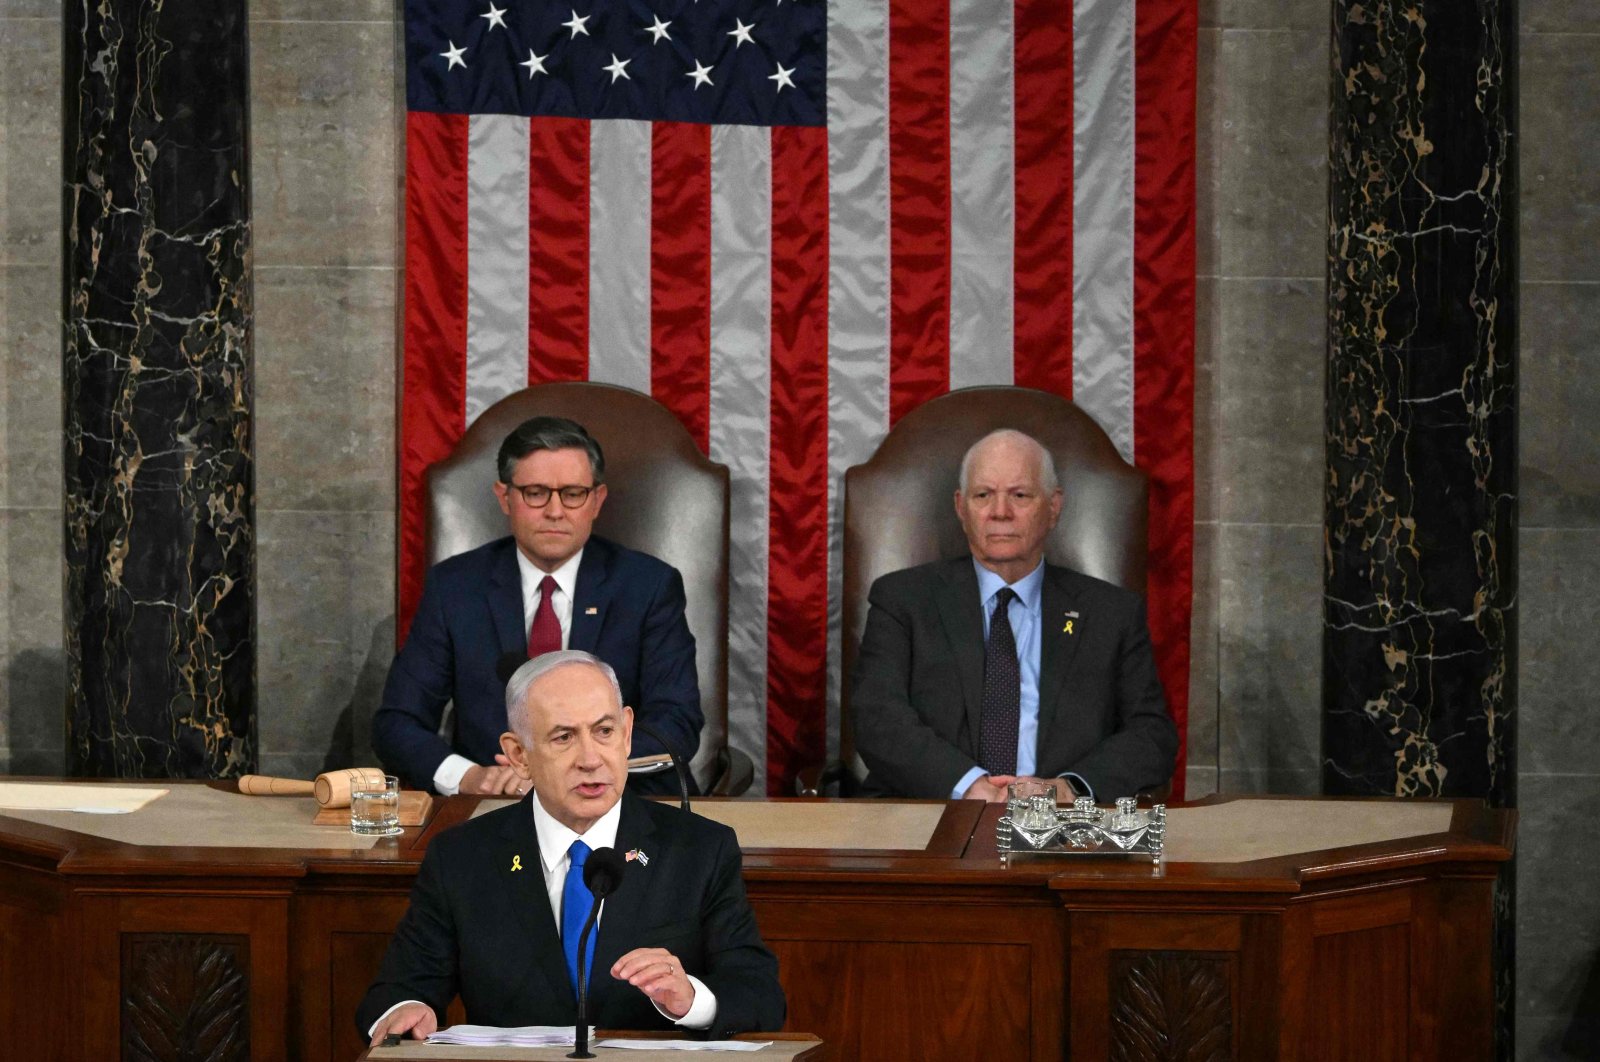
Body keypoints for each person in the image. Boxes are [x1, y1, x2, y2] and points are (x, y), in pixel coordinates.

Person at [359, 651, 785, 1043]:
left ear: (628, 733)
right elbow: (397, 991)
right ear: (519, 755)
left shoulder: (699, 850)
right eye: (563, 737)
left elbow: (760, 995)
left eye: (604, 731)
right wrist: (405, 1011)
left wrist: (691, 998)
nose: (591, 758)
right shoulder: (462, 858)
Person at [372, 416, 702, 797]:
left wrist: (581, 772)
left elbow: (676, 721)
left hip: (624, 801)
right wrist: (469, 777)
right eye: (536, 492)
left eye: (573, 493)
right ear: (504, 497)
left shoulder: (649, 586)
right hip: (497, 804)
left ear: (597, 501)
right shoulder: (455, 587)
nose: (555, 511)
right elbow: (397, 722)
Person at [851, 428, 1178, 802]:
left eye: (1020, 495)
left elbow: (1151, 733)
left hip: (1059, 828)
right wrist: (970, 784)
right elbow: (877, 717)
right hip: (928, 812)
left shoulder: (1110, 613)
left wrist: (1068, 788)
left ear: (1053, 507)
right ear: (961, 507)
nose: (1000, 512)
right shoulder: (903, 600)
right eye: (983, 495)